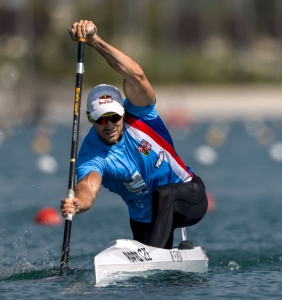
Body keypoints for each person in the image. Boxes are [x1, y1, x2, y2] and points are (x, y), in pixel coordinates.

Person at [60, 20, 208, 249]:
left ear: (123, 112)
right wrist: (77, 203)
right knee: (152, 285)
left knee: (164, 194)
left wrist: (94, 42)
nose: (108, 125)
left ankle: (152, 255)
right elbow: (89, 187)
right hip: (143, 219)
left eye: (114, 117)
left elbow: (136, 75)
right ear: (90, 119)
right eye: (100, 119)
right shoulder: (92, 153)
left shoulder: (141, 114)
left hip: (188, 196)